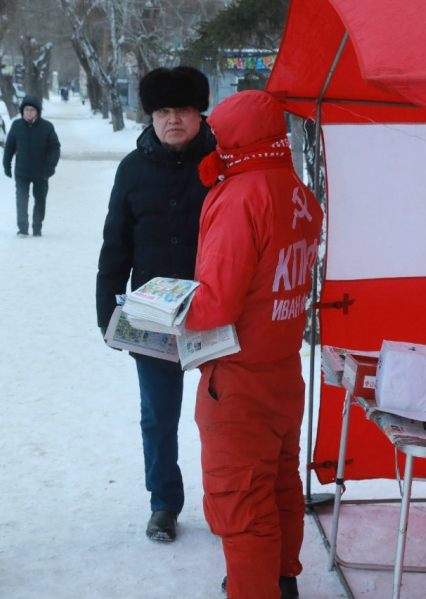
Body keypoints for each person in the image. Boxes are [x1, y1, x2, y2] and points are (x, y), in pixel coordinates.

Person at [184, 90, 323, 599]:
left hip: (237, 378)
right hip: (283, 369)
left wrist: (163, 314)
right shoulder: (297, 191)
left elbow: (216, 304)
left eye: (217, 134)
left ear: (236, 137)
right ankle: (282, 580)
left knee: (241, 501)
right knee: (280, 484)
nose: (212, 142)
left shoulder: (240, 195)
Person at [96, 66, 215, 543]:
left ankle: (227, 501)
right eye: (163, 111)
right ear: (151, 116)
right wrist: (108, 314)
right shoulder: (132, 169)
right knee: (158, 418)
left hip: (216, 312)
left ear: (199, 113)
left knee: (223, 418)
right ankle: (164, 504)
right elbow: (115, 246)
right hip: (153, 317)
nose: (173, 120)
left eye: (182, 109)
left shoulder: (223, 163)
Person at [2, 94, 61, 237]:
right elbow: (9, 147)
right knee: (21, 200)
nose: (29, 112)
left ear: (37, 112)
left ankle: (37, 227)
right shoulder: (17, 126)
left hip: (41, 172)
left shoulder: (47, 127)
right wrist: (6, 165)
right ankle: (22, 228)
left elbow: (55, 148)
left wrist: (50, 167)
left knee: (40, 200)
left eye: (32, 110)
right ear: (22, 110)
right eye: (26, 109)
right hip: (22, 171)